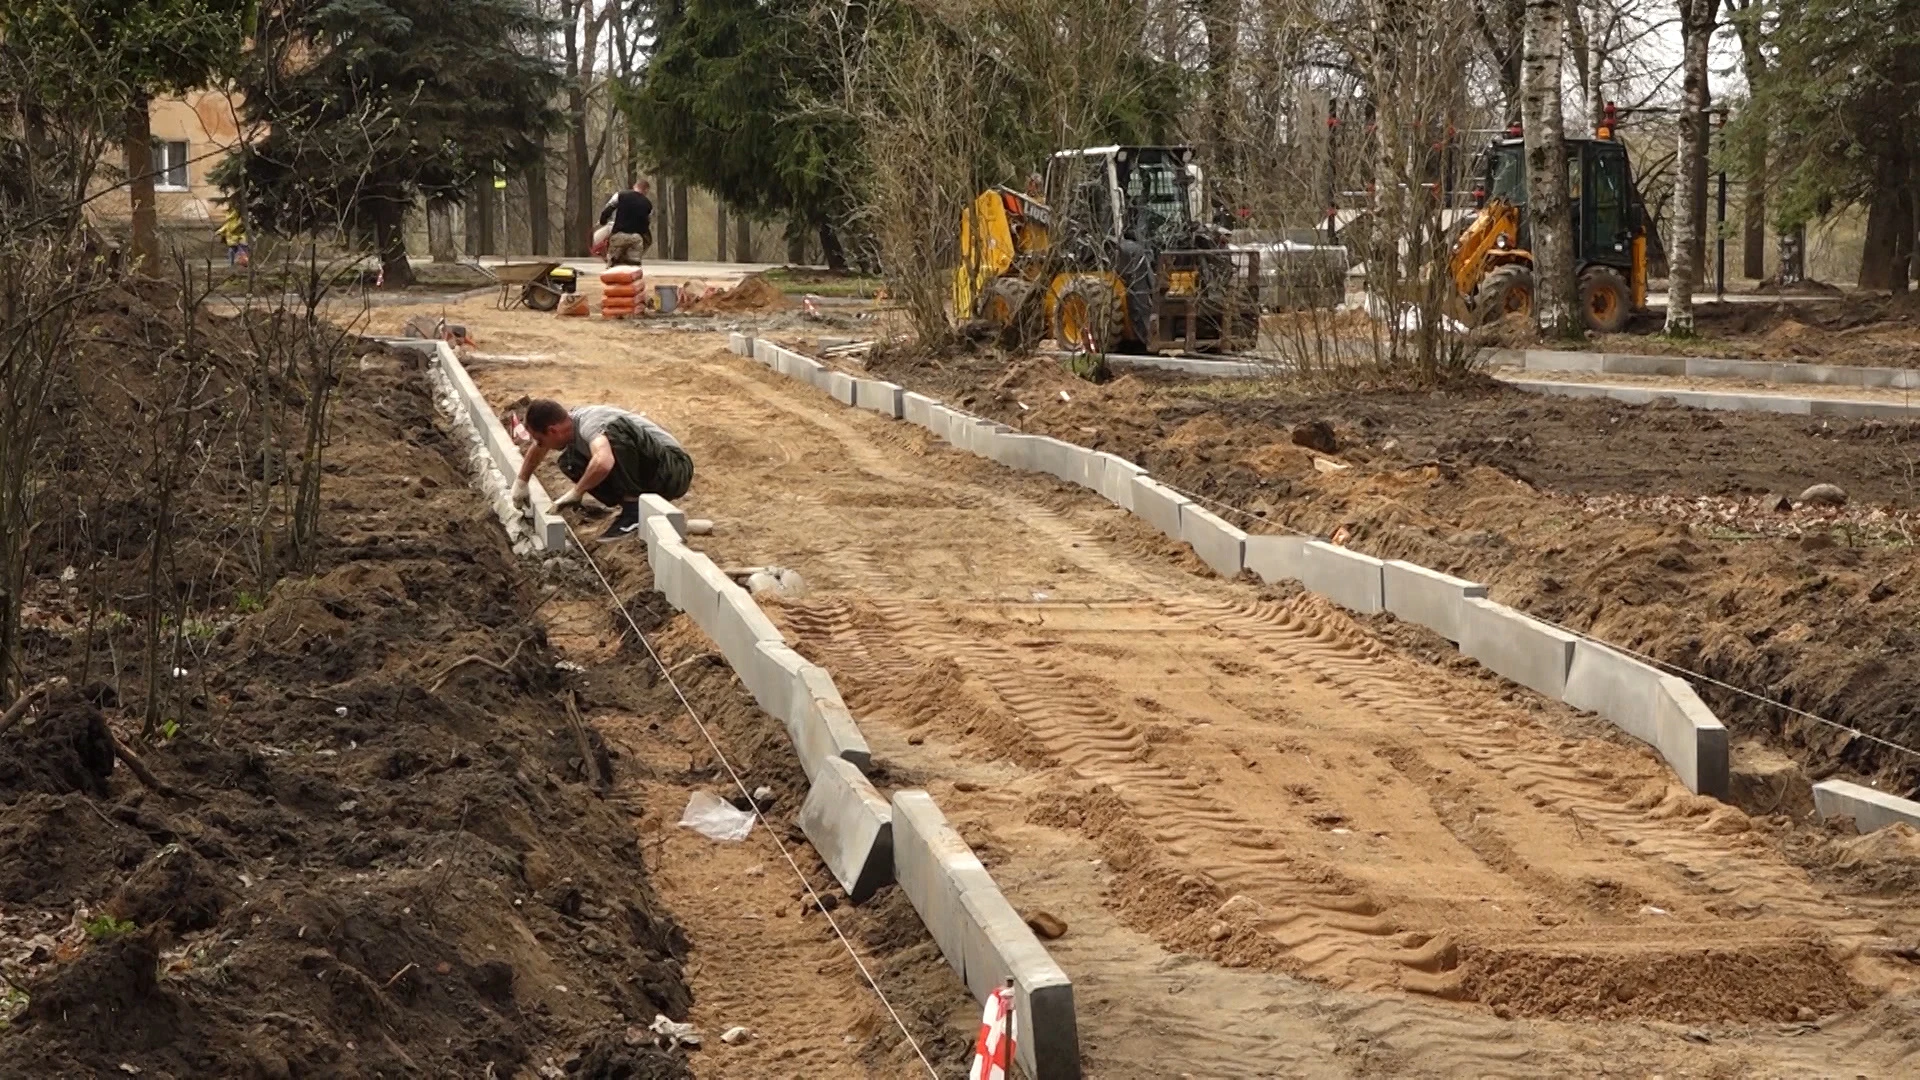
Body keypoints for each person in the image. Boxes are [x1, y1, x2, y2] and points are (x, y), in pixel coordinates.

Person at [512, 399, 692, 542]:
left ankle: (633, 512)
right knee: (570, 461)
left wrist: (577, 492)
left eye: (541, 439)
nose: (542, 446)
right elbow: (539, 447)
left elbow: (604, 462)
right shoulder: (568, 425)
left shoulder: (591, 424)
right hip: (655, 471)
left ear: (552, 430)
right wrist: (521, 481)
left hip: (674, 469)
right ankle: (630, 507)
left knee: (612, 436)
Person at [598, 180, 653, 267]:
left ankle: (613, 263)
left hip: (618, 236)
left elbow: (608, 209)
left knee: (613, 265)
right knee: (633, 265)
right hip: (636, 239)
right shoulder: (648, 204)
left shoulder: (620, 195)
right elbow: (647, 223)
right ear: (646, 190)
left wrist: (602, 221)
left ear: (635, 186)